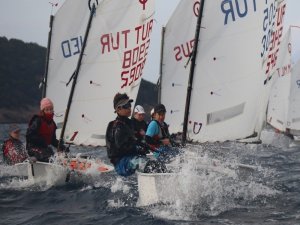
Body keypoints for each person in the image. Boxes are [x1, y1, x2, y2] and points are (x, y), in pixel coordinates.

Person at [106, 93, 167, 176]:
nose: (129, 108)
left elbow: (134, 141)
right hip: (121, 163)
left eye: (130, 105)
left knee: (158, 164)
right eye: (126, 105)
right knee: (151, 165)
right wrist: (139, 149)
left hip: (130, 158)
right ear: (118, 109)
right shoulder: (117, 126)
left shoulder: (128, 123)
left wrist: (146, 147)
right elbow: (122, 147)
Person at [26, 97, 66, 162]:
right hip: (33, 148)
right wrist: (41, 141)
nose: (49, 111)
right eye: (47, 110)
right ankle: (32, 160)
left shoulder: (53, 124)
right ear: (43, 111)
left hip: (44, 148)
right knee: (45, 156)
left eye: (51, 109)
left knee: (53, 157)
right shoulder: (37, 121)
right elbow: (29, 135)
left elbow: (52, 140)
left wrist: (61, 146)